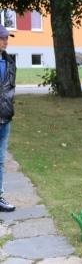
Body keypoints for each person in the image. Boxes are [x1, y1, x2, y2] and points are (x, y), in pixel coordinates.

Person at [0, 24, 16, 212]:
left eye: (7, 37)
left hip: (5, 118)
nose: (6, 41)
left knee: (1, 160)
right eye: (2, 38)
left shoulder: (9, 61)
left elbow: (9, 91)